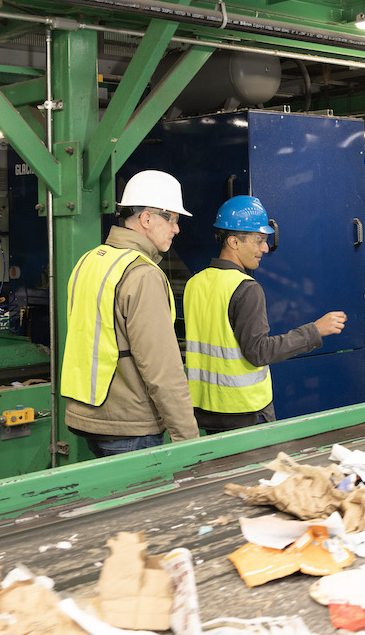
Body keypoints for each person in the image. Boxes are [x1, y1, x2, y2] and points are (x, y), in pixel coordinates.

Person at [61, 170, 200, 457]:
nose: (177, 229)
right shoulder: (142, 274)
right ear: (147, 218)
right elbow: (162, 368)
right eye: (172, 219)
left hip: (92, 419)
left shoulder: (90, 260)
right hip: (130, 425)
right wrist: (189, 440)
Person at [183, 195, 347, 432]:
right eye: (258, 240)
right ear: (234, 242)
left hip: (206, 411)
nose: (265, 248)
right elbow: (259, 352)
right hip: (245, 412)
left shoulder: (195, 283)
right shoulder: (246, 288)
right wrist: (315, 331)